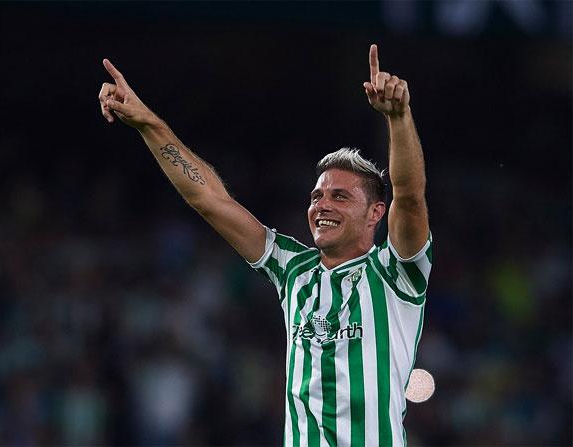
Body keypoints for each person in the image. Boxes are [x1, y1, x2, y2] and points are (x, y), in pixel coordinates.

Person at [98, 44, 432, 446]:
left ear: (376, 213)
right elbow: (209, 200)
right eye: (316, 197)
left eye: (340, 197)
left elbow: (410, 196)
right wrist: (147, 122)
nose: (322, 205)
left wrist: (398, 118)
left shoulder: (396, 275)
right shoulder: (293, 269)